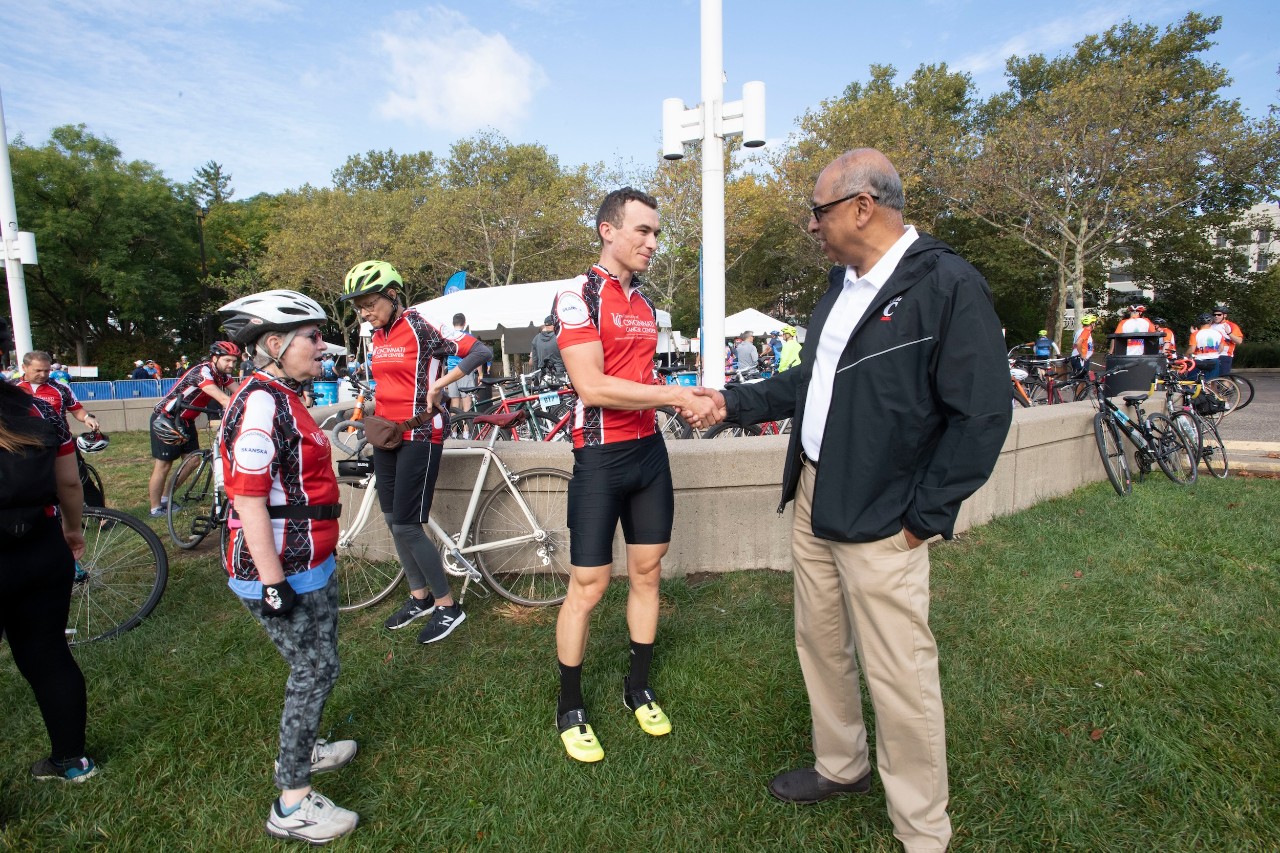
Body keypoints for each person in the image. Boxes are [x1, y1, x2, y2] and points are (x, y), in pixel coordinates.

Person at [693, 150, 1010, 852]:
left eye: (820, 211)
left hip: (884, 516)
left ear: (863, 205)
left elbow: (983, 414)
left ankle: (923, 830)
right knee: (821, 642)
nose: (813, 225)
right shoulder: (842, 285)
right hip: (814, 490)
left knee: (900, 670)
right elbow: (812, 381)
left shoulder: (948, 284)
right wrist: (731, 403)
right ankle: (841, 766)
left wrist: (923, 518)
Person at [550, 187, 716, 764]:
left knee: (648, 573)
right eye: (643, 231)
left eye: (656, 233)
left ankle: (637, 686)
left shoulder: (644, 306)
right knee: (589, 586)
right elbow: (591, 387)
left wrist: (679, 400)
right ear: (608, 231)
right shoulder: (576, 296)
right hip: (599, 459)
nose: (652, 242)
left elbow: (640, 382)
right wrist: (674, 395)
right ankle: (570, 704)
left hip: (649, 456)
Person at [214, 290, 358, 844]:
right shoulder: (260, 403)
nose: (323, 347)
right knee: (313, 669)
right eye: (313, 337)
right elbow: (249, 498)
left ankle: (309, 745)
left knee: (322, 662)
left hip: (308, 559)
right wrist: (273, 584)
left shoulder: (282, 394)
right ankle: (292, 801)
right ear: (274, 344)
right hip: (279, 567)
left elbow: (289, 475)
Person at [339, 261, 493, 643]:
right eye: (359, 306)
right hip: (388, 435)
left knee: (408, 523)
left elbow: (479, 350)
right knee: (394, 521)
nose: (364, 312)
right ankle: (419, 596)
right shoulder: (378, 335)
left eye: (370, 303)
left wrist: (440, 383)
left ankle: (447, 606)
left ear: (392, 295)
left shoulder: (419, 325)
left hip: (421, 435)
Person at [0, 379, 95, 783]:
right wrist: (73, 530)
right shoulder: (41, 408)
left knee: (47, 655)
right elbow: (70, 482)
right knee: (49, 654)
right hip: (40, 545)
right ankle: (73, 760)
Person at [146, 342, 239, 518]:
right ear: (215, 358)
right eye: (227, 360)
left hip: (187, 420)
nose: (231, 365)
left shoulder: (222, 375)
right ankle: (155, 508)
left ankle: (167, 497)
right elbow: (224, 399)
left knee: (193, 461)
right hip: (167, 418)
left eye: (234, 361)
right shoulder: (202, 372)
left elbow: (239, 393)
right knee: (164, 465)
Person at [14, 351, 105, 507]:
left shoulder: (60, 387)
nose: (43, 374)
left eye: (46, 370)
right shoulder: (12, 388)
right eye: (38, 370)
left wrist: (87, 418)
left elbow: (76, 409)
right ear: (24, 367)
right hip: (26, 443)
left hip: (60, 440)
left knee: (79, 479)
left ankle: (101, 515)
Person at [444, 313, 479, 415]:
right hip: (465, 370)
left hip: (451, 372)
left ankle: (454, 430)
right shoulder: (468, 336)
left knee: (454, 402)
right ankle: (466, 430)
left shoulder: (448, 338)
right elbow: (477, 356)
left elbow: (443, 358)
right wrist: (480, 374)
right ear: (464, 323)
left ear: (452, 323)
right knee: (466, 401)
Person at [1188, 313, 1223, 380]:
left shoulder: (1195, 334)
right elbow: (1221, 349)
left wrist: (1185, 356)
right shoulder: (1218, 333)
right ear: (1211, 322)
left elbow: (1192, 350)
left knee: (1191, 381)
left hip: (1199, 361)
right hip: (1214, 360)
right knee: (1212, 382)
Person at [1211, 306, 1243, 375]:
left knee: (1223, 377)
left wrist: (1229, 333)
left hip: (1225, 355)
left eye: (1219, 315)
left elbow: (1239, 341)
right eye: (1214, 314)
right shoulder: (1210, 325)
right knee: (1212, 378)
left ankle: (1226, 385)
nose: (1216, 316)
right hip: (1211, 354)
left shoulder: (1231, 325)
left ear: (1225, 315)